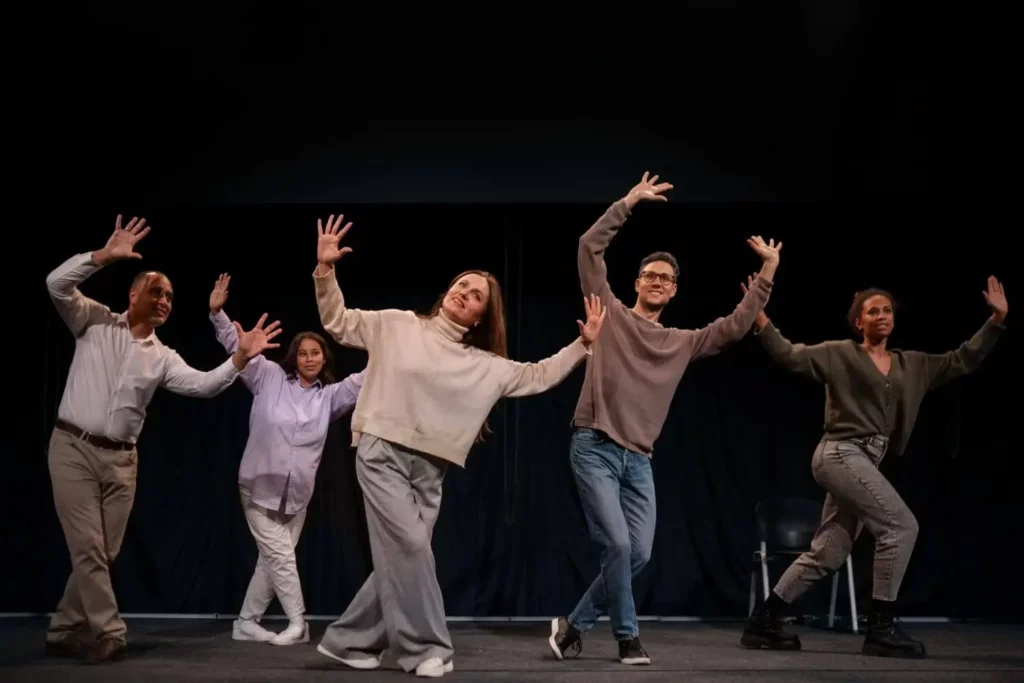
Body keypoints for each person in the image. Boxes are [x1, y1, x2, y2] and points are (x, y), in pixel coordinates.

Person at [309, 213, 607, 678]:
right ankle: (426, 648)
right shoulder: (398, 324)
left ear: (478, 317)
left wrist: (581, 344)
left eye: (474, 296)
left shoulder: (483, 364)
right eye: (461, 285)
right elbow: (338, 323)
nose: (463, 293)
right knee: (410, 549)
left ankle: (350, 641)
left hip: (432, 469)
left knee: (406, 558)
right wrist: (326, 271)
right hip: (381, 451)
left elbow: (536, 375)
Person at [548, 173, 782, 666]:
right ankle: (628, 637)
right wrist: (628, 202)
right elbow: (589, 248)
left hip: (639, 461)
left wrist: (767, 274)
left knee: (637, 554)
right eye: (650, 275)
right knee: (615, 542)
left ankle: (572, 625)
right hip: (594, 445)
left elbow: (736, 327)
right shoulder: (608, 312)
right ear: (636, 283)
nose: (657, 282)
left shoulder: (681, 342)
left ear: (674, 291)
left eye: (666, 279)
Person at [44, 216, 280, 664]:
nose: (165, 301)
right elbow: (56, 284)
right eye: (156, 292)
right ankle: (110, 632)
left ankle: (62, 628)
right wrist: (102, 257)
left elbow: (205, 386)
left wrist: (240, 358)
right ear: (133, 295)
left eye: (170, 296)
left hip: (121, 463)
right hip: (72, 449)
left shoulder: (163, 357)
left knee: (104, 552)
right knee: (90, 548)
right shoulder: (93, 321)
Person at [739, 275, 1008, 658]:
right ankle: (880, 626)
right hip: (838, 453)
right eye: (872, 311)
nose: (881, 316)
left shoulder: (912, 365)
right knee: (900, 526)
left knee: (829, 551)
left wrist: (995, 322)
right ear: (859, 322)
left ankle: (764, 620)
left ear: (893, 319)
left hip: (864, 462)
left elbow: (962, 360)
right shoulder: (839, 353)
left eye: (886, 310)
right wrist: (760, 319)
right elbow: (790, 354)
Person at [207, 273, 367, 646]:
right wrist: (217, 313)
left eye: (317, 353)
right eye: (304, 353)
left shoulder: (330, 397)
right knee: (280, 557)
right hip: (258, 486)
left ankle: (246, 622)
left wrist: (392, 350)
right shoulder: (269, 377)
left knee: (271, 559)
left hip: (297, 497)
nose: (310, 358)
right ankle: (299, 622)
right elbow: (240, 347)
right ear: (294, 356)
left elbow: (364, 379)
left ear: (324, 357)